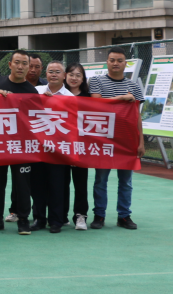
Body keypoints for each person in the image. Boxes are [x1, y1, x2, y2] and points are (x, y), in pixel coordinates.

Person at [89, 47, 144, 230]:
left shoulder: (134, 86)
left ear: (125, 63)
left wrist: (141, 142)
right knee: (100, 180)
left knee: (126, 182)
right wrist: (122, 98)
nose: (115, 63)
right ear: (107, 62)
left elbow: (137, 116)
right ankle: (99, 216)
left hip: (127, 141)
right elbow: (97, 105)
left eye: (119, 60)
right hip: (103, 140)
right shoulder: (96, 81)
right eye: (112, 60)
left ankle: (124, 216)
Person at [0, 50, 36, 235]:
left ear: (29, 67)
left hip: (22, 146)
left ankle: (23, 219)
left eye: (24, 63)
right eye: (17, 62)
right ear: (10, 64)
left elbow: (35, 119)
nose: (20, 66)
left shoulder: (31, 91)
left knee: (23, 184)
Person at [31, 61, 75, 233]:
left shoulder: (70, 97)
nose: (54, 74)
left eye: (57, 72)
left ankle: (56, 220)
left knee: (57, 186)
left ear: (64, 76)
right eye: (50, 71)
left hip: (60, 149)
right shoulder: (36, 91)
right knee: (37, 185)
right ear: (46, 74)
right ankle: (39, 219)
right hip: (38, 148)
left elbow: (73, 125)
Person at [64, 63, 92, 231]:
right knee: (61, 183)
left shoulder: (89, 97)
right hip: (61, 146)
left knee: (80, 183)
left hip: (81, 147)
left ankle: (80, 216)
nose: (74, 78)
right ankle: (61, 215)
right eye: (71, 74)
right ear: (65, 76)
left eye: (78, 75)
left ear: (83, 79)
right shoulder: (59, 95)